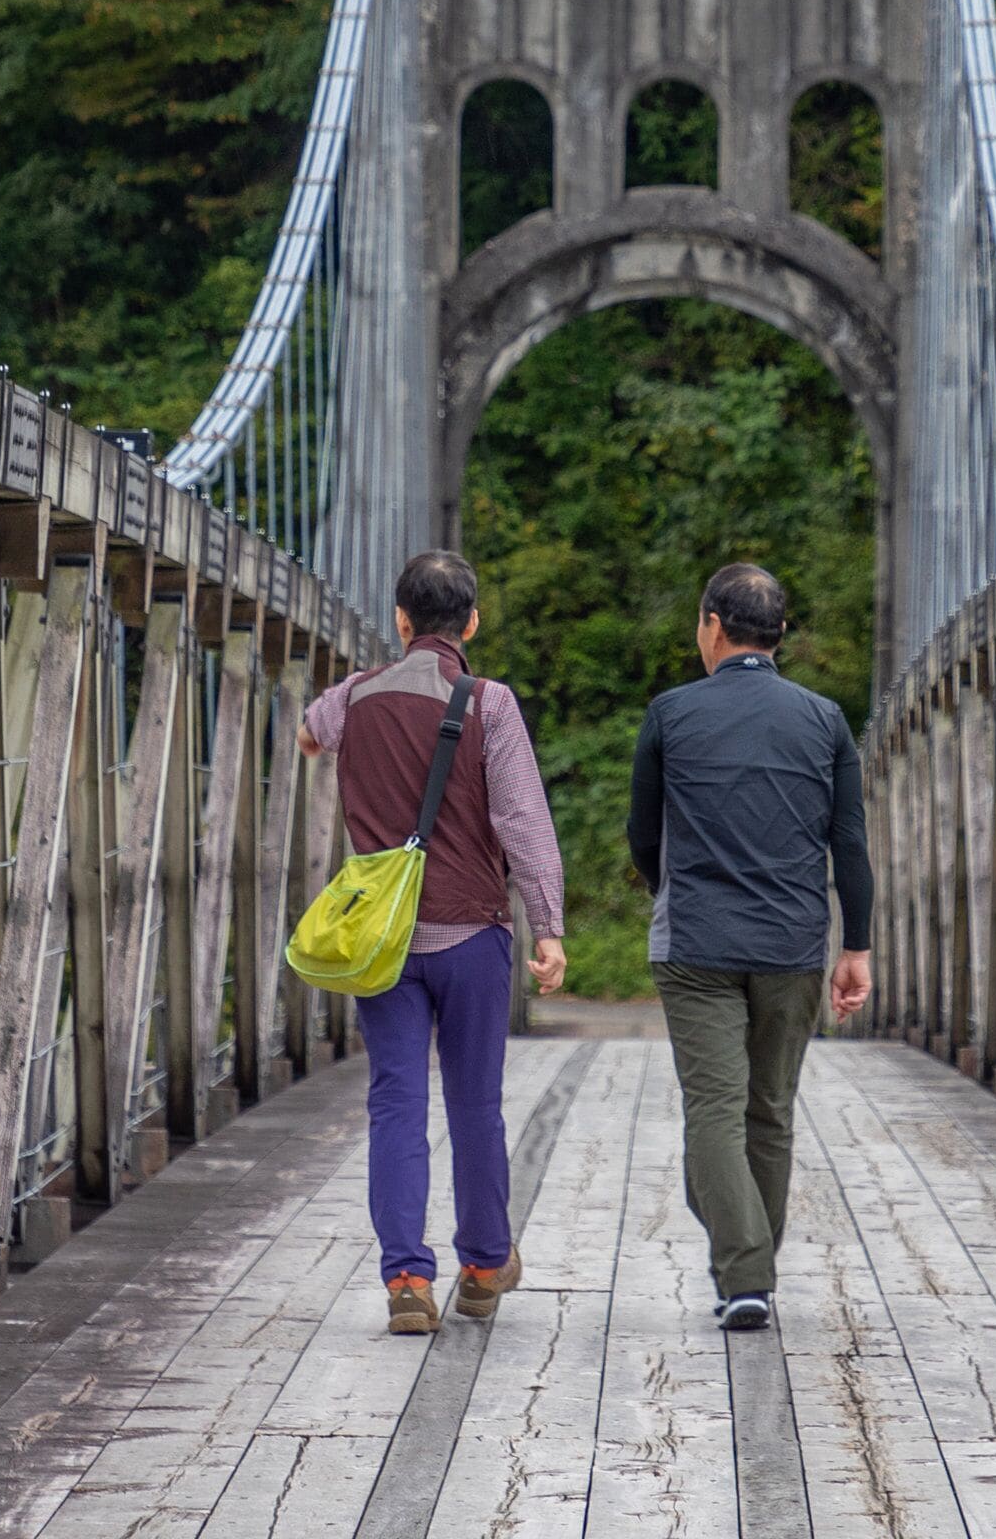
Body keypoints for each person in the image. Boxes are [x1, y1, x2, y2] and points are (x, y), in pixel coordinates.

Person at [299, 549, 569, 1334]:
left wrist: (332, 744)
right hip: (472, 937)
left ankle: (408, 1283)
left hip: (382, 944)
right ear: (473, 623)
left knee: (395, 1102)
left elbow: (311, 736)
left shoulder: (354, 698)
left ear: (401, 620)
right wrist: (547, 928)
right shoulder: (489, 704)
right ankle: (483, 1265)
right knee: (475, 1103)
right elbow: (522, 819)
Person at [627, 561, 871, 1334]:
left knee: (714, 1110)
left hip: (695, 941)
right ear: (782, 633)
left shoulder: (670, 713)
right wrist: (856, 946)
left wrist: (672, 886)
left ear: (709, 625)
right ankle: (750, 1270)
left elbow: (643, 833)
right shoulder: (825, 719)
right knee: (769, 1111)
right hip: (795, 944)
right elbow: (851, 846)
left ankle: (744, 1271)